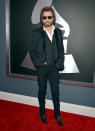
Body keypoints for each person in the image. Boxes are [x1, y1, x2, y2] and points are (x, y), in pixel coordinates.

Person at [29, 7, 64, 125]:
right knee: (42, 91)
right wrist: (39, 63)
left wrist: (59, 63)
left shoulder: (58, 32)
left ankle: (57, 114)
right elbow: (32, 51)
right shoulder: (36, 33)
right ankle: (42, 113)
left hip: (54, 67)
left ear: (53, 18)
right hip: (42, 68)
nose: (47, 19)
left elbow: (61, 50)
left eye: (49, 17)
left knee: (56, 92)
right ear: (41, 19)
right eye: (44, 17)